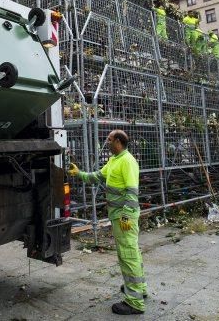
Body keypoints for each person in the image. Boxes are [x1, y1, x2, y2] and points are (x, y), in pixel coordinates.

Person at [69, 130, 146, 315]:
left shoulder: (127, 161)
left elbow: (131, 192)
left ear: (118, 142)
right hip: (119, 216)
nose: (107, 142)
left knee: (128, 255)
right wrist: (79, 174)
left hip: (124, 217)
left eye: (109, 140)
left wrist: (126, 216)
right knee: (132, 252)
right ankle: (139, 288)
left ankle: (134, 302)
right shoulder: (114, 160)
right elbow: (97, 176)